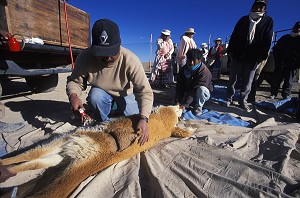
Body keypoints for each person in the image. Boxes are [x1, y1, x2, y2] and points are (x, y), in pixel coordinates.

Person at [66, 19, 154, 146]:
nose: (107, 58)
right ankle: (104, 122)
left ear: (119, 45)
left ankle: (115, 108)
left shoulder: (131, 60)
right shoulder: (85, 58)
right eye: (102, 53)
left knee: (133, 119)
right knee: (96, 96)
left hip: (124, 94)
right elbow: (75, 82)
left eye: (112, 52)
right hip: (102, 94)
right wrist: (73, 96)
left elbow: (144, 91)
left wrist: (144, 118)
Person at [226, 0, 273, 111]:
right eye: (256, 5)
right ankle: (229, 98)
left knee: (248, 81)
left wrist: (262, 56)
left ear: (264, 9)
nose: (258, 8)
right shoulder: (243, 20)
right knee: (233, 79)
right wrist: (230, 51)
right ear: (252, 6)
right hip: (238, 55)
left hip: (253, 57)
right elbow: (234, 36)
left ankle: (243, 101)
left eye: (261, 7)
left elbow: (267, 38)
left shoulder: (268, 21)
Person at [175, 48, 213, 116]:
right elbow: (179, 86)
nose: (191, 63)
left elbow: (194, 89)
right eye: (189, 59)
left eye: (194, 60)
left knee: (202, 90)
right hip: (189, 91)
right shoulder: (183, 70)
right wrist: (178, 100)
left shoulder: (204, 72)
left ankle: (198, 107)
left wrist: (186, 104)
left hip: (200, 93)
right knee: (176, 98)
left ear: (199, 60)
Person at [270, 21, 300, 100]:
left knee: (289, 81)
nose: (298, 29)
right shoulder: (285, 37)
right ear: (294, 27)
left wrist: (296, 63)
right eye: (297, 27)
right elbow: (276, 49)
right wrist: (278, 60)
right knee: (276, 79)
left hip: (292, 65)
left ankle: (286, 95)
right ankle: (273, 93)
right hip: (280, 63)